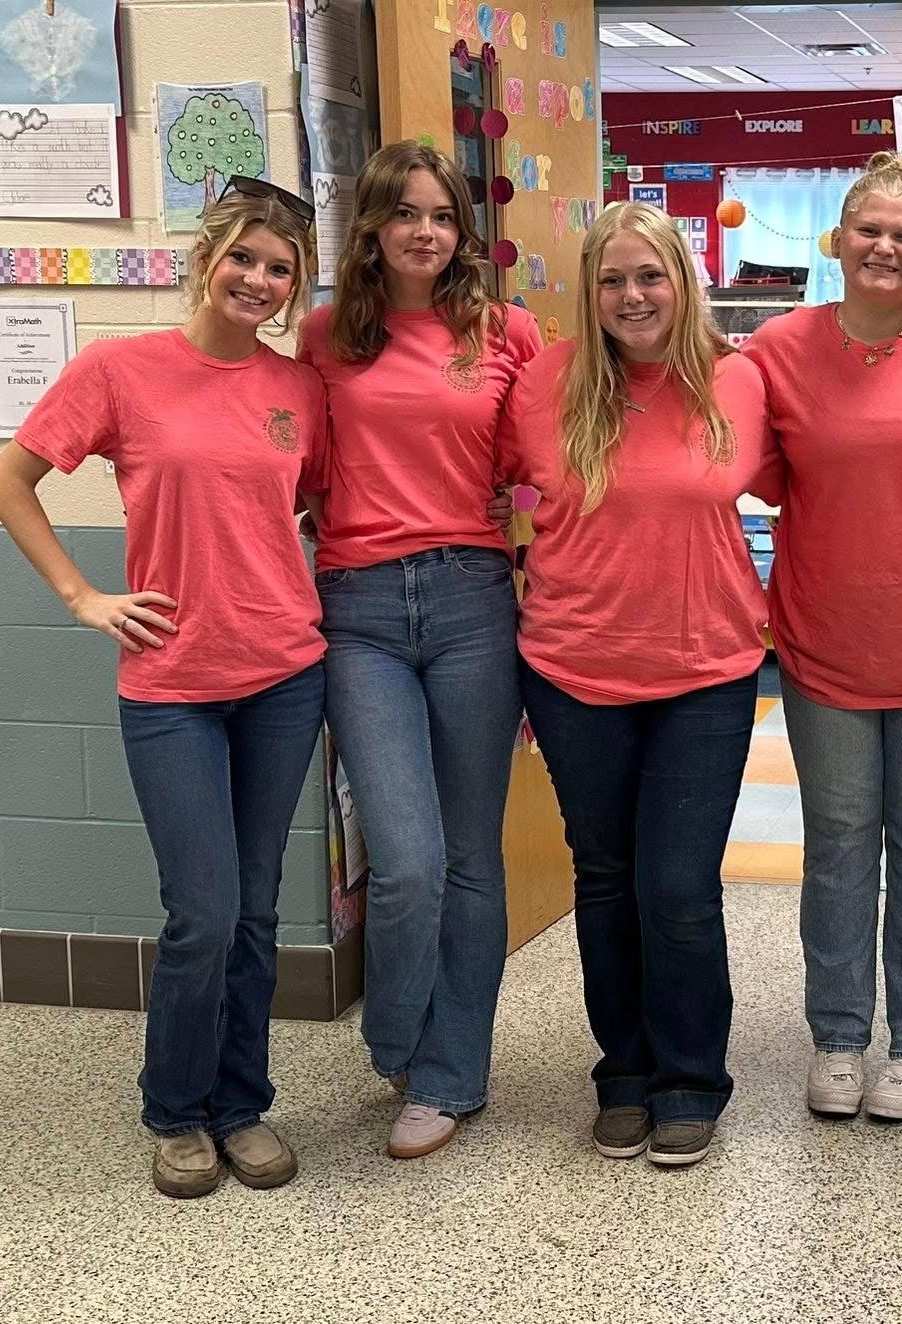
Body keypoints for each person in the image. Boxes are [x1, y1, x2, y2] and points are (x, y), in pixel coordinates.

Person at [0, 180, 328, 1198]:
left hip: (284, 676)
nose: (259, 282)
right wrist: (83, 596)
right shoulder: (119, 370)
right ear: (206, 256)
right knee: (205, 910)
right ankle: (177, 1111)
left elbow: (304, 508)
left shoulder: (296, 390)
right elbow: (10, 479)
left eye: (280, 270)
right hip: (172, 686)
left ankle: (241, 1104)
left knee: (259, 908)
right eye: (246, 259)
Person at [495, 202, 776, 1168]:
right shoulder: (540, 384)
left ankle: (692, 1078)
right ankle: (624, 1073)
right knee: (605, 882)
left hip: (707, 670)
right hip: (573, 669)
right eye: (613, 279)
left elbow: (815, 483)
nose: (633, 296)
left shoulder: (738, 382)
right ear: (590, 289)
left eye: (650, 276)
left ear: (683, 282)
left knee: (680, 887)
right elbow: (469, 483)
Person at [744, 152, 902, 1122]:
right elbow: (768, 476)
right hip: (822, 641)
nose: (885, 247)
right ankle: (840, 1035)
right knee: (840, 843)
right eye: (869, 231)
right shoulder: (777, 348)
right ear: (837, 239)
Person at [297, 142, 540, 1161]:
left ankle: (449, 1073)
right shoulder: (324, 336)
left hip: (472, 601)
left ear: (461, 233)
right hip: (358, 611)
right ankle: (397, 1037)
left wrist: (514, 504)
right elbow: (293, 458)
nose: (425, 232)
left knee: (472, 861)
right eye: (405, 214)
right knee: (404, 861)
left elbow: (550, 461)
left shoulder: (507, 333)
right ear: (372, 229)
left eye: (441, 216)